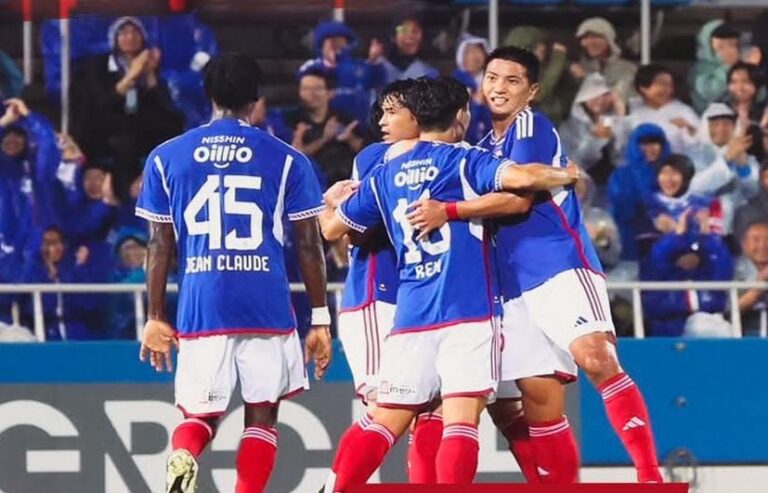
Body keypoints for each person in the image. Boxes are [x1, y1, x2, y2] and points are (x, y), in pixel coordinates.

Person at [408, 48, 664, 483]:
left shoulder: (529, 125)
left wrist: (447, 211)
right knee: (537, 395)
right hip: (508, 284)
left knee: (596, 357)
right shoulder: (481, 149)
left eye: (512, 80)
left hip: (556, 264)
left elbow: (519, 196)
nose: (499, 88)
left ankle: (649, 474)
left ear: (532, 91)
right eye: (493, 78)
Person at [320, 76, 579, 491]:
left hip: (410, 313)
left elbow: (333, 229)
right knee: (460, 418)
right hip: (467, 310)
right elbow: (522, 181)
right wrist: (563, 174)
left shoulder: (385, 173)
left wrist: (330, 203)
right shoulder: (465, 160)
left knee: (386, 417)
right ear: (461, 115)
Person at [135, 53, 332, 493]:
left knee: (200, 415)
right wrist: (320, 317)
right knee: (262, 415)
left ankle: (185, 454)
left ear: (208, 94)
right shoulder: (287, 159)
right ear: (256, 100)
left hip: (202, 301)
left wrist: (154, 315)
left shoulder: (166, 157)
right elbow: (308, 244)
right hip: (264, 301)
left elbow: (159, 244)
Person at [71, 16, 184, 202]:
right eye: (124, 33)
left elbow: (164, 113)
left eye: (135, 32)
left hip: (138, 131)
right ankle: (122, 197)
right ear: (114, 38)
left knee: (169, 129)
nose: (130, 37)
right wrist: (131, 75)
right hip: (102, 131)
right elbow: (99, 105)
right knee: (124, 142)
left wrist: (150, 76)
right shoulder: (96, 66)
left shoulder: (150, 65)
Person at [641, 211, 733, 338]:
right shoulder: (661, 276)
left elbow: (723, 264)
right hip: (667, 336)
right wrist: (676, 236)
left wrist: (707, 237)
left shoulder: (708, 275)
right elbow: (657, 259)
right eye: (682, 253)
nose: (688, 256)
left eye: (694, 252)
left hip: (708, 335)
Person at [689, 103, 760, 237]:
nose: (721, 129)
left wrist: (743, 166)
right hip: (703, 225)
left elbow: (754, 191)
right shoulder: (694, 155)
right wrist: (727, 159)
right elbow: (695, 187)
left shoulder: (746, 156)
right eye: (715, 124)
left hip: (739, 226)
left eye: (726, 124)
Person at [285, 69, 365, 186]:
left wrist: (350, 138)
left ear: (330, 93)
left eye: (316, 89)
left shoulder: (344, 117)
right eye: (305, 89)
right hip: (313, 183)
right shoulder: (292, 119)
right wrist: (324, 138)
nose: (310, 94)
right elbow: (294, 157)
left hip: (348, 181)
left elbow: (365, 151)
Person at [297, 20, 386, 127]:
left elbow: (376, 83)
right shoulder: (311, 65)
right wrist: (329, 65)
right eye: (331, 41)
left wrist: (374, 61)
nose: (335, 45)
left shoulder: (358, 65)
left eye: (339, 40)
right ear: (321, 43)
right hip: (324, 124)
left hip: (360, 123)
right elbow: (305, 84)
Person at [609, 124, 671, 260]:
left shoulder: (673, 173)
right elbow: (620, 210)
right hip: (631, 242)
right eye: (644, 143)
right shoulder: (621, 175)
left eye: (654, 142)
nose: (650, 148)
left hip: (668, 242)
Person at [559, 73, 626, 183]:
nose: (600, 100)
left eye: (604, 95)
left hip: (616, 183)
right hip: (583, 184)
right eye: (593, 95)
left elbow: (624, 157)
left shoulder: (614, 120)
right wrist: (596, 139)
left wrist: (621, 118)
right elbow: (572, 162)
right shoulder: (569, 127)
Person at [505, 26, 574, 125]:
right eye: (537, 45)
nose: (543, 48)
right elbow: (537, 94)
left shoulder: (538, 68)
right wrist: (558, 59)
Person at [628, 64, 700, 154]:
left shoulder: (683, 111)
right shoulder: (631, 109)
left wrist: (689, 129)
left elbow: (700, 143)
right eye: (661, 84)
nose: (668, 90)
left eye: (670, 85)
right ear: (643, 88)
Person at [571, 17, 637, 104]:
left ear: (608, 40)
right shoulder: (585, 67)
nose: (587, 42)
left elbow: (618, 97)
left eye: (594, 37)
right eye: (584, 38)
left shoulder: (627, 68)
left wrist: (587, 78)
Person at [688, 21, 743, 113]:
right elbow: (710, 93)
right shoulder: (700, 69)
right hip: (707, 116)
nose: (728, 49)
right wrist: (727, 66)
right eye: (721, 46)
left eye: (732, 44)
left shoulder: (740, 65)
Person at [381, 15, 439, 84]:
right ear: (393, 37)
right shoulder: (378, 67)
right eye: (404, 30)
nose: (411, 36)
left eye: (415, 31)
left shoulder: (428, 73)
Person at [735, 221, 768, 336]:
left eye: (767, 240)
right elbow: (728, 312)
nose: (762, 245)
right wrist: (758, 287)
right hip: (744, 337)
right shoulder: (734, 271)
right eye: (756, 239)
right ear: (744, 245)